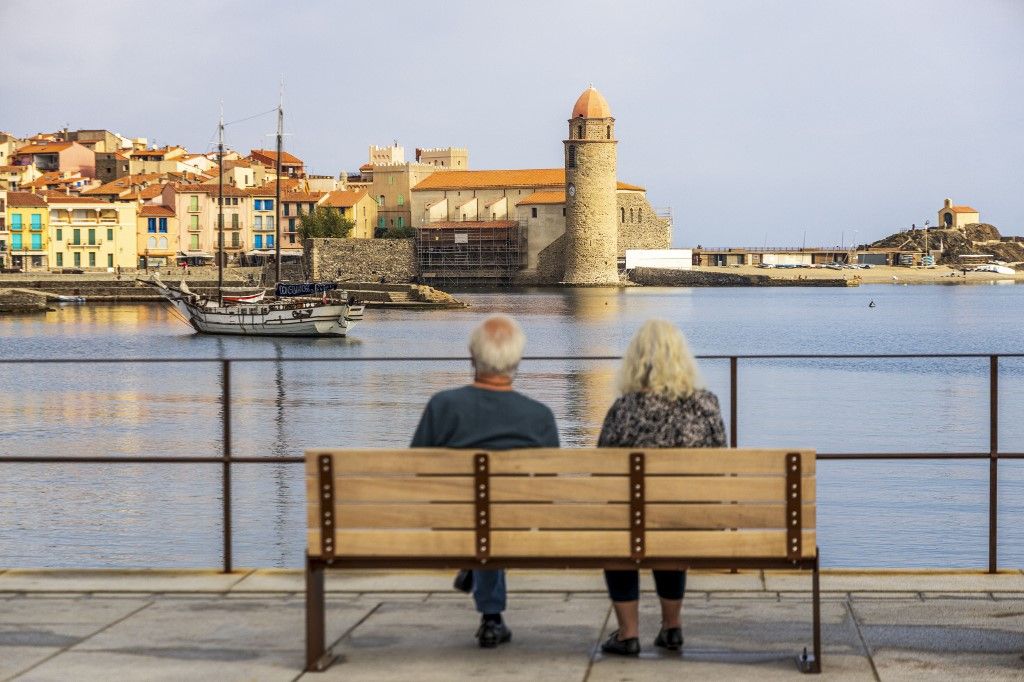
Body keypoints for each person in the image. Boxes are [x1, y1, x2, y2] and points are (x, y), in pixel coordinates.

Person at [411, 314, 559, 648]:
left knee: (482, 516)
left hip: (452, 521)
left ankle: (476, 574)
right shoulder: (540, 416)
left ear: (472, 357)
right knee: (496, 515)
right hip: (517, 525)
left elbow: (416, 471)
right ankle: (489, 612)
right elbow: (549, 489)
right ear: (517, 361)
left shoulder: (442, 406)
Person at [598, 319, 726, 656]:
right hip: (691, 520)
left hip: (634, 521)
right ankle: (671, 627)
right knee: (670, 525)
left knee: (622, 535)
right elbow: (719, 461)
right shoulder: (706, 404)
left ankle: (628, 633)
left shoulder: (624, 409)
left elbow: (601, 472)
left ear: (635, 360)